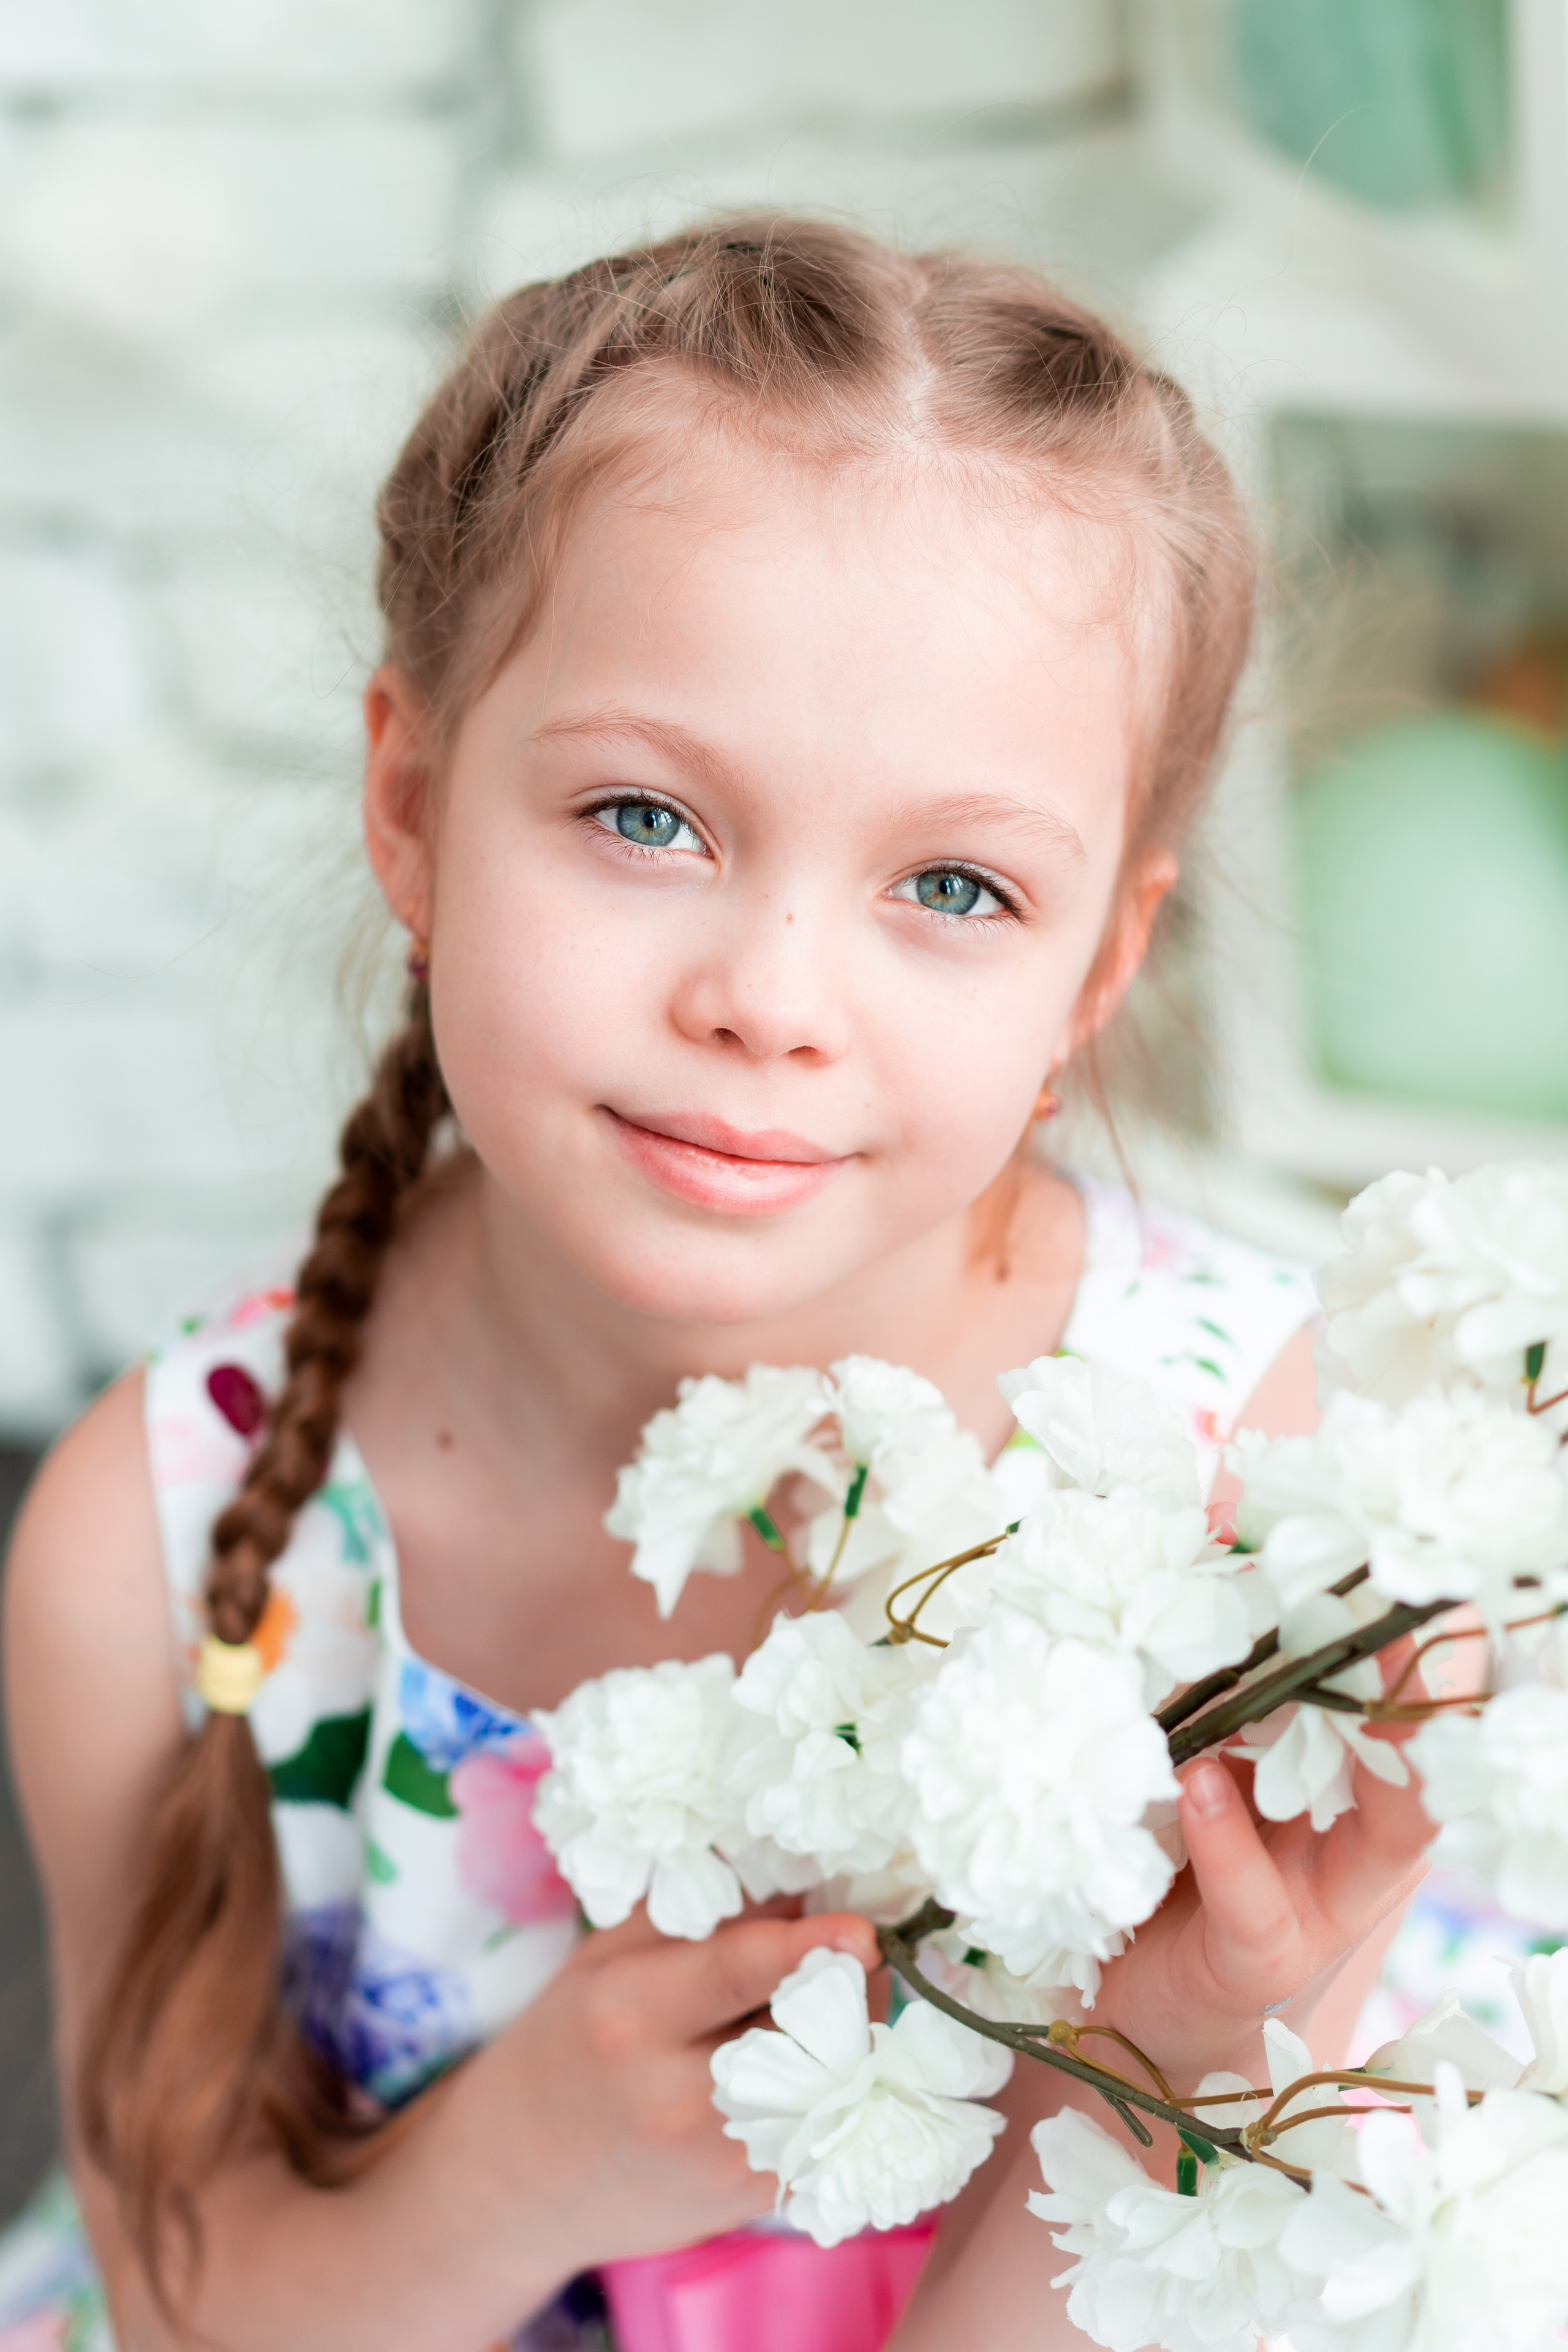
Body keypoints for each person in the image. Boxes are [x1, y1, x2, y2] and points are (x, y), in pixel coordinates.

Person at [0, 216, 1430, 2351]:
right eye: (647, 818)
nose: (769, 998)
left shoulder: (1260, 1510)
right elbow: (197, 2306)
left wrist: (1174, 2063)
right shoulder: (158, 1546)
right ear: (412, 803)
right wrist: (521, 2167)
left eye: (954, 885)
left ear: (1095, 972)